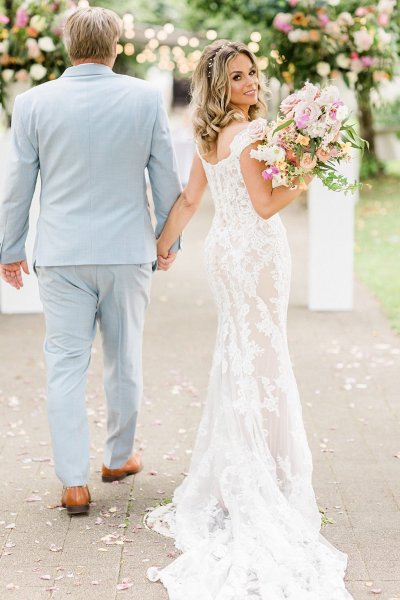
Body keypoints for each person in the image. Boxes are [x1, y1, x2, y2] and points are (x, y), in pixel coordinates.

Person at [147, 40, 354, 599]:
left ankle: (239, 467)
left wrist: (163, 247)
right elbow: (265, 204)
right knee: (264, 355)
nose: (251, 84)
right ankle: (265, 475)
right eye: (238, 77)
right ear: (219, 86)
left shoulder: (210, 136)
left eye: (253, 74)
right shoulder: (249, 134)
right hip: (257, 254)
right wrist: (308, 168)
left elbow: (191, 202)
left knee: (241, 353)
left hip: (225, 253)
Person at [0, 7, 181, 514]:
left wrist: (10, 249)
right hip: (127, 252)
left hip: (61, 255)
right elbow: (164, 175)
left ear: (67, 44)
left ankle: (74, 483)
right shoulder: (145, 98)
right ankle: (118, 457)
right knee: (124, 357)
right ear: (117, 45)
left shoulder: (33, 103)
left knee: (63, 366)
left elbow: (17, 187)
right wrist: (168, 241)